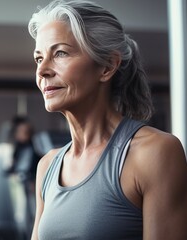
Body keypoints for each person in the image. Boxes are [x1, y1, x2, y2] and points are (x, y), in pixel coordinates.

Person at [27, 1, 187, 239]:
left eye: (60, 53)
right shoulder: (48, 166)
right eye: (39, 58)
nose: (42, 71)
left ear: (107, 66)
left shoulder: (154, 152)